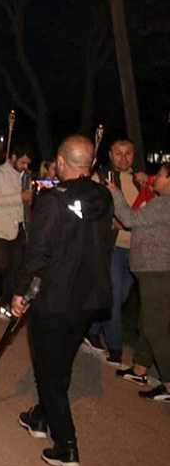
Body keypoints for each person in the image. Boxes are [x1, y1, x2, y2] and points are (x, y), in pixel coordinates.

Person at [12, 135, 114, 466]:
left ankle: (67, 445)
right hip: (89, 298)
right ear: (91, 164)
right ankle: (40, 417)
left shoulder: (52, 199)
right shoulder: (103, 196)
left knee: (48, 371)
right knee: (61, 361)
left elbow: (37, 252)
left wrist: (20, 292)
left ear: (60, 161)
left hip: (56, 297)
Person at [107, 163, 170, 402]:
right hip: (156, 270)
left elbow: (130, 219)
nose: (156, 179)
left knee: (156, 329)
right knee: (149, 320)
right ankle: (140, 369)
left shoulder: (164, 203)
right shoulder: (161, 201)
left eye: (161, 176)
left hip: (157, 270)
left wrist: (114, 191)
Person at [87, 139, 142, 363]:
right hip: (112, 247)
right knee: (114, 294)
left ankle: (91, 329)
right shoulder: (100, 178)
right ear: (110, 154)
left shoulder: (141, 180)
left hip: (137, 248)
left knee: (120, 298)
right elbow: (90, 212)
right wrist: (112, 223)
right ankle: (116, 348)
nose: (123, 157)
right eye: (118, 153)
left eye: (127, 153)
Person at [0, 144, 33, 317]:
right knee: (0, 264)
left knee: (15, 268)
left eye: (28, 163)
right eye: (23, 162)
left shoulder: (26, 176)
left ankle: (5, 303)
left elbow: (27, 202)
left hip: (18, 227)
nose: (25, 166)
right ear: (13, 157)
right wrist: (20, 197)